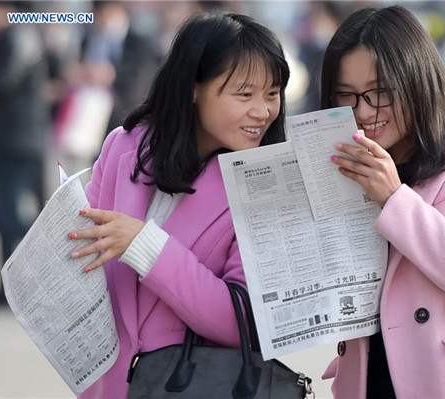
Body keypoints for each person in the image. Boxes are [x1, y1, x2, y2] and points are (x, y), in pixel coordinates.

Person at [66, 12, 289, 398]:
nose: (263, 110)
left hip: (194, 385)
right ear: (193, 88)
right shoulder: (124, 147)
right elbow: (85, 263)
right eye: (245, 94)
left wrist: (146, 246)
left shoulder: (265, 180)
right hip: (108, 386)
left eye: (272, 93)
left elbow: (244, 321)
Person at [321, 6, 445, 398]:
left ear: (416, 80)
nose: (363, 112)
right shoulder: (343, 166)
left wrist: (393, 198)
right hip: (371, 380)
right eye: (347, 96)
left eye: (379, 93)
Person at [0, 1, 51, 307]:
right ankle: (7, 289)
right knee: (1, 217)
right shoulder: (4, 40)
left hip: (20, 142)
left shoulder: (19, 38)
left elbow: (2, 82)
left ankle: (49, 258)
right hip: (5, 142)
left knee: (8, 215)